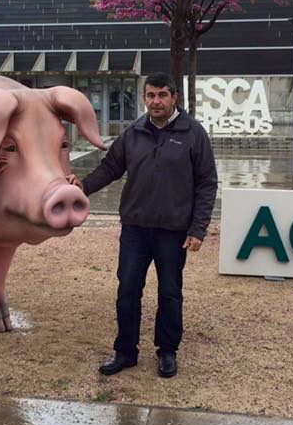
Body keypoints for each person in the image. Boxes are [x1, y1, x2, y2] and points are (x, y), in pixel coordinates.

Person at [69, 73, 217, 378]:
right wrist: (80, 186)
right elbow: (110, 168)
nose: (156, 101)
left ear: (174, 96)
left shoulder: (193, 133)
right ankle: (125, 352)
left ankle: (167, 352)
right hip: (135, 229)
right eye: (150, 95)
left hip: (173, 231)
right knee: (128, 290)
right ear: (144, 98)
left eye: (162, 94)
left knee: (170, 293)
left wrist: (197, 228)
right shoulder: (134, 132)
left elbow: (206, 183)